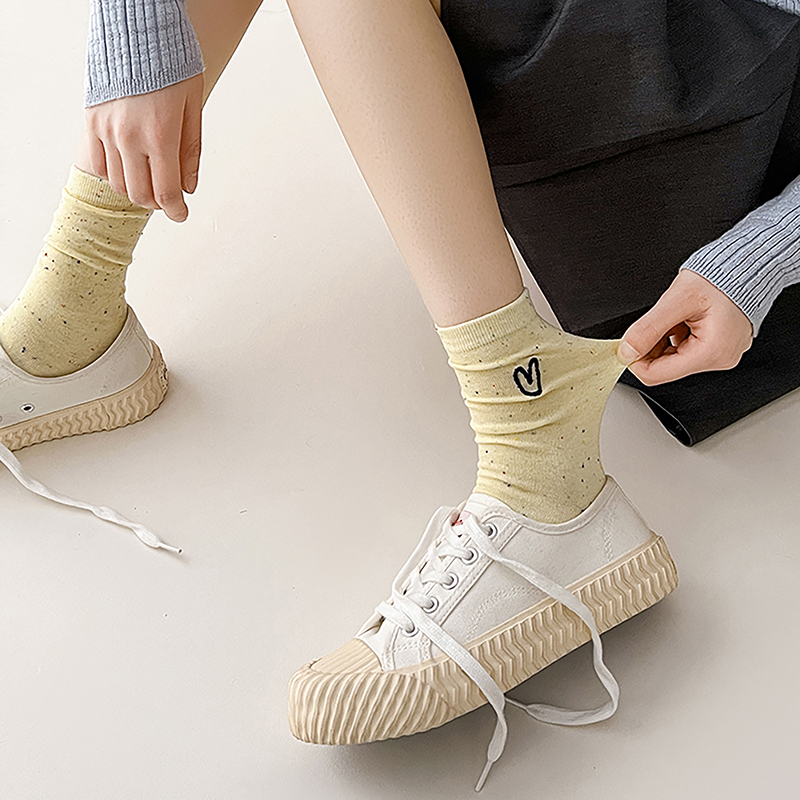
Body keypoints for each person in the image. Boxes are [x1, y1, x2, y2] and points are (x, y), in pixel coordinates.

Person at [0, 0, 797, 790]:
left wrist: (764, 256)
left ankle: (542, 461)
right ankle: (72, 313)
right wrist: (140, 28)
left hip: (748, 155)